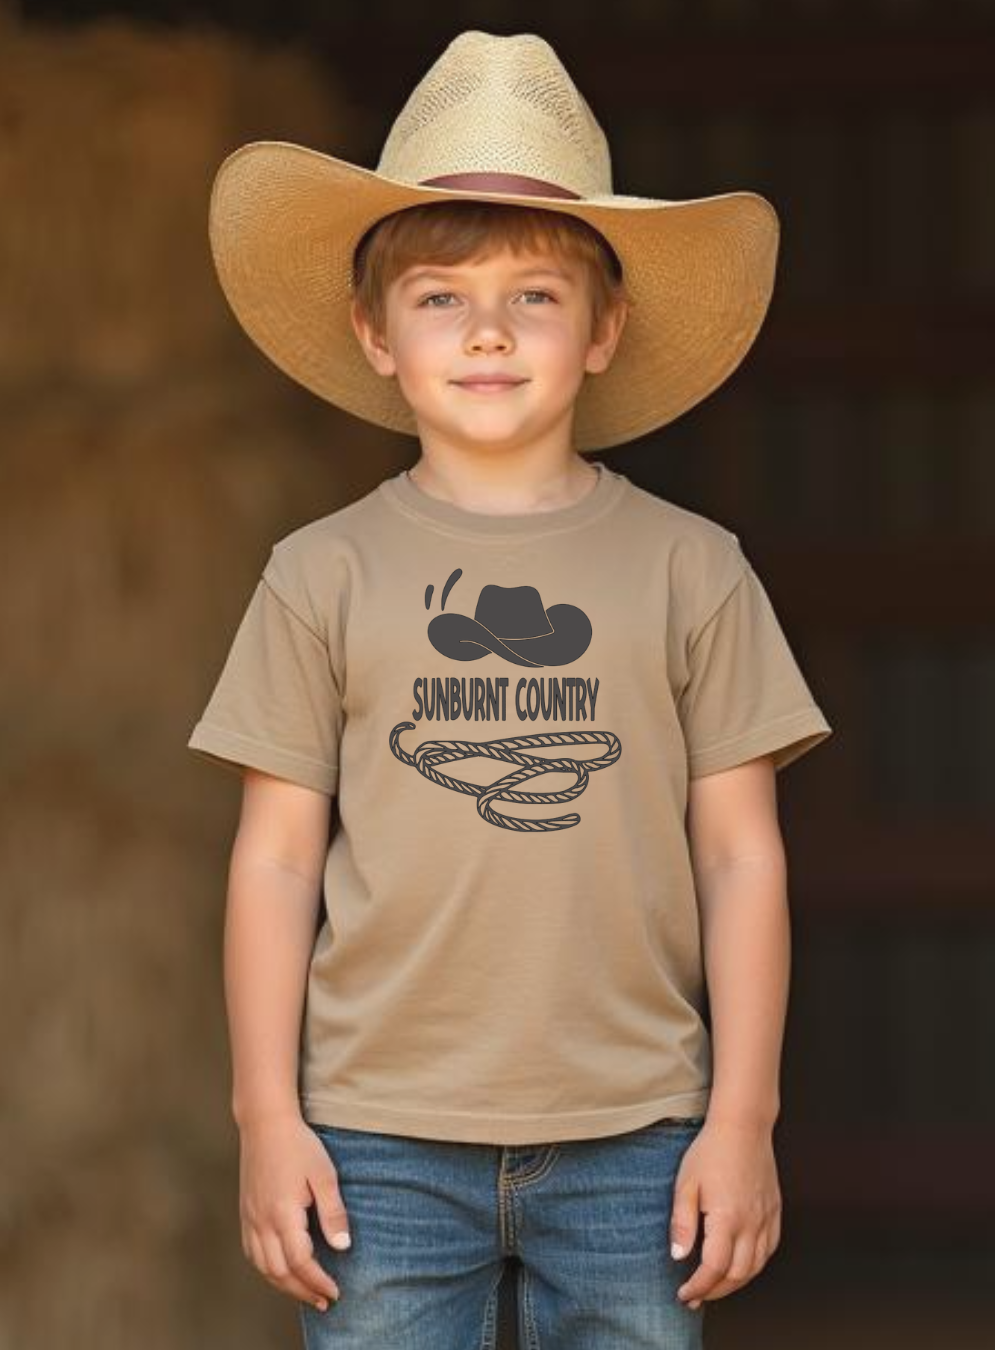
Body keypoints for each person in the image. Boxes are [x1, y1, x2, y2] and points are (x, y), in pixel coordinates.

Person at [186, 29, 833, 1350]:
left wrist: (744, 1117)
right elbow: (272, 862)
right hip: (376, 1135)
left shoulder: (692, 570)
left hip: (638, 1139)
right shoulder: (320, 576)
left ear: (606, 329)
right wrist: (267, 1114)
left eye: (535, 295)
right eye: (438, 296)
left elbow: (743, 856)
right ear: (374, 332)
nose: (487, 330)